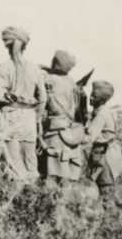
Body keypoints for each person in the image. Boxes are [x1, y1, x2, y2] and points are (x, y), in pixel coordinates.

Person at [0, 26, 47, 183]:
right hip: (30, 120)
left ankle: (17, 199)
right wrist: (37, 117)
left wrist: (8, 98)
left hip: (11, 118)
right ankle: (34, 198)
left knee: (15, 165)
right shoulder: (35, 68)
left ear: (8, 46)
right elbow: (43, 98)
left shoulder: (5, 68)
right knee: (30, 162)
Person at [41, 50, 84, 185]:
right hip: (70, 130)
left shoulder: (49, 80)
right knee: (65, 173)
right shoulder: (71, 82)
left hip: (55, 131)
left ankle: (52, 204)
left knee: (52, 174)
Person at [84, 80, 122, 200]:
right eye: (91, 94)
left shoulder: (101, 114)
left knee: (105, 187)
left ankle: (109, 216)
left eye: (94, 96)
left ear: (101, 99)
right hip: (107, 152)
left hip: (103, 153)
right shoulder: (102, 111)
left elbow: (89, 136)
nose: (90, 98)